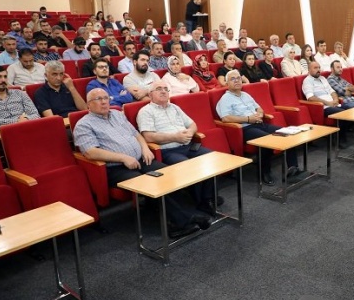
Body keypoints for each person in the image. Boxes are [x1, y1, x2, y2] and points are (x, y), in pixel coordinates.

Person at [74, 88, 212, 239]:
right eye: (98, 99)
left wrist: (145, 148)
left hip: (140, 159)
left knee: (168, 175)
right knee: (149, 183)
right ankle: (179, 223)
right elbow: (90, 152)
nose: (104, 101)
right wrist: (123, 158)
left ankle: (178, 216)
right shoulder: (84, 125)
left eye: (106, 98)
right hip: (115, 167)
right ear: (88, 105)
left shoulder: (117, 115)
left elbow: (136, 134)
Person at [137, 81, 222, 215]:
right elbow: (148, 136)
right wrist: (175, 137)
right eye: (159, 89)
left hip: (188, 145)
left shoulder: (174, 108)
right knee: (190, 166)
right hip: (168, 150)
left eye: (166, 88)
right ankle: (203, 201)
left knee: (211, 158)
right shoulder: (146, 112)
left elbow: (192, 124)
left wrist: (190, 132)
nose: (163, 91)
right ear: (150, 94)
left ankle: (207, 198)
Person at [216, 69, 301, 185]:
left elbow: (259, 108)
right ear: (227, 83)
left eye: (238, 78)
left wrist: (260, 114)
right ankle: (265, 172)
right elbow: (225, 118)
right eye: (233, 79)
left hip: (260, 123)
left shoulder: (246, 95)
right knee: (267, 140)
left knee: (287, 133)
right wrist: (247, 119)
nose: (237, 81)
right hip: (245, 128)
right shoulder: (225, 99)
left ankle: (293, 168)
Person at [302, 61, 348, 147]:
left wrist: (335, 99)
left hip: (333, 104)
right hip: (323, 107)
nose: (318, 70)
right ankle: (339, 140)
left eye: (319, 67)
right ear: (309, 70)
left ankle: (339, 136)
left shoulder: (323, 78)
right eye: (315, 68)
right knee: (343, 114)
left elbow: (332, 91)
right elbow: (310, 98)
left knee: (349, 111)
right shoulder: (307, 81)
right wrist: (328, 103)